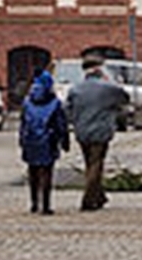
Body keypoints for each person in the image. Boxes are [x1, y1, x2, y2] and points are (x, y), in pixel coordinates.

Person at [64, 52, 127, 211]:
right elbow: (124, 98)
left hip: (82, 131)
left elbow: (68, 110)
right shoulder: (108, 88)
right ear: (100, 69)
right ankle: (88, 200)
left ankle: (99, 196)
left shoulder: (75, 89)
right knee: (96, 164)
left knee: (89, 164)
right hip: (101, 131)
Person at [18, 69, 69, 215]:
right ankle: (45, 205)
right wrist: (64, 140)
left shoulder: (27, 102)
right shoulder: (54, 102)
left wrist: (22, 140)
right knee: (46, 172)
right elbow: (60, 124)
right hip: (48, 140)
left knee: (32, 171)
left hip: (30, 139)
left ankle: (34, 203)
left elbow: (23, 123)